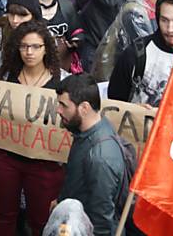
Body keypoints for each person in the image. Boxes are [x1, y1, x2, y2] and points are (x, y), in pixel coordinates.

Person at [0, 20, 66, 236]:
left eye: (35, 47)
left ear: (46, 48)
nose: (29, 52)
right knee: (3, 215)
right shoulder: (4, 76)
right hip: (5, 158)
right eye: (23, 46)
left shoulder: (63, 82)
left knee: (42, 220)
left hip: (45, 164)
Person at [54, 74, 129, 236]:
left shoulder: (101, 159)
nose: (58, 110)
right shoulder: (85, 130)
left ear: (84, 108)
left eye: (63, 105)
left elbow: (101, 220)